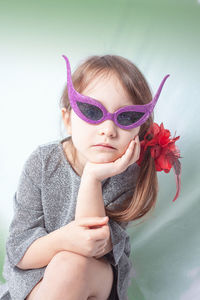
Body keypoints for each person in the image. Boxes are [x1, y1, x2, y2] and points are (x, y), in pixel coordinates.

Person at [0, 54, 181, 300]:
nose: (108, 129)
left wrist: (92, 178)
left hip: (93, 277)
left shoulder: (127, 176)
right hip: (37, 279)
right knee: (65, 262)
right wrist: (65, 239)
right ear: (68, 120)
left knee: (71, 264)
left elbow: (92, 248)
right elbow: (20, 254)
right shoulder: (42, 163)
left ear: (140, 129)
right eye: (92, 111)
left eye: (126, 117)